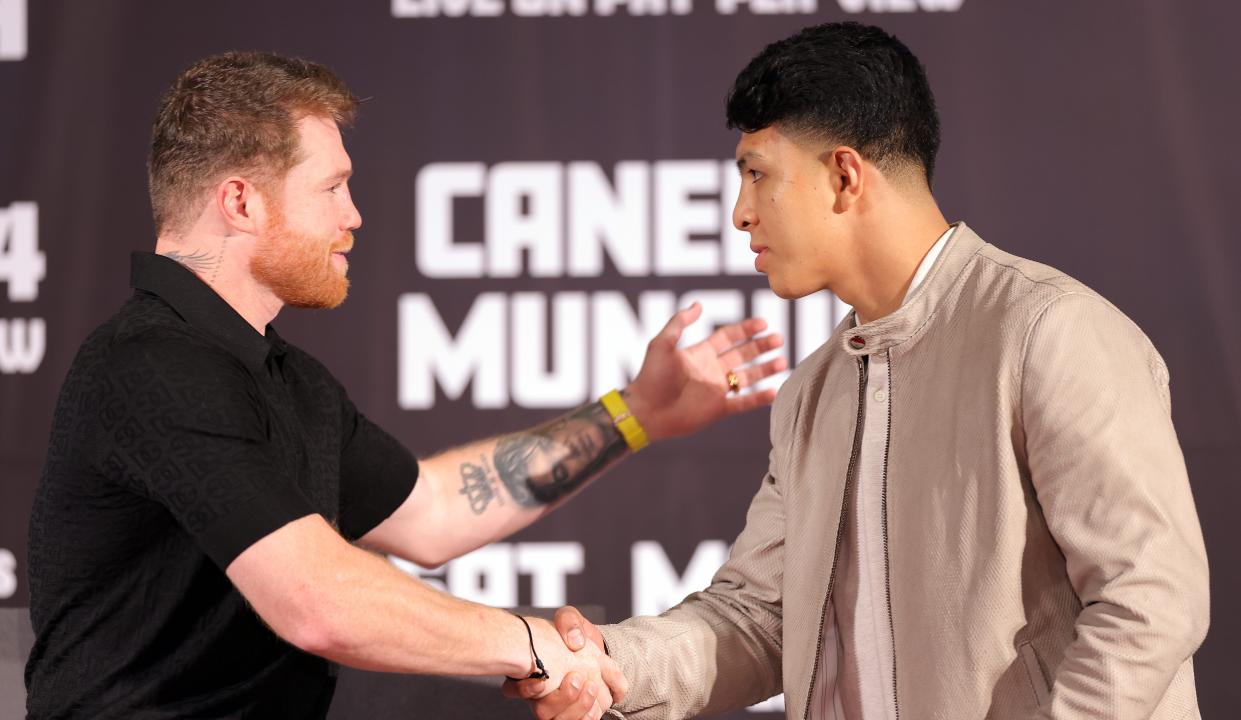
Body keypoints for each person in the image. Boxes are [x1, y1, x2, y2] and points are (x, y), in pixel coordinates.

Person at [23, 51, 788, 719]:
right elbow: (317, 601)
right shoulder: (153, 364)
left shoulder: (284, 377)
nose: (353, 216)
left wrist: (636, 413)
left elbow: (431, 509)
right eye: (332, 188)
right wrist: (532, 645)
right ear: (241, 201)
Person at [512, 21, 1210, 720]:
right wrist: (609, 662)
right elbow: (759, 618)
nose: (739, 213)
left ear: (844, 176)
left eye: (756, 174)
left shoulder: (1047, 330)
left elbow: (1148, 597)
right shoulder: (811, 392)